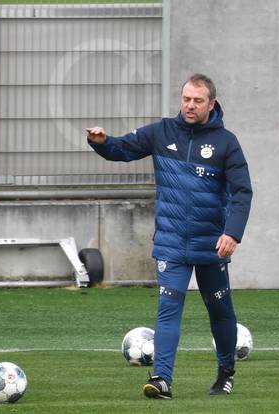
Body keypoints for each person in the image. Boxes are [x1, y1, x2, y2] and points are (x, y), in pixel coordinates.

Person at [86, 74, 252, 398]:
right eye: (186, 99)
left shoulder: (226, 143)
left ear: (211, 104)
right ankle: (162, 379)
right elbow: (124, 148)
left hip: (211, 244)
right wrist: (102, 142)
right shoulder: (162, 132)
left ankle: (225, 373)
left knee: (219, 310)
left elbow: (243, 192)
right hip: (171, 242)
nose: (190, 105)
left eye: (198, 100)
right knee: (168, 307)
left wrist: (232, 233)